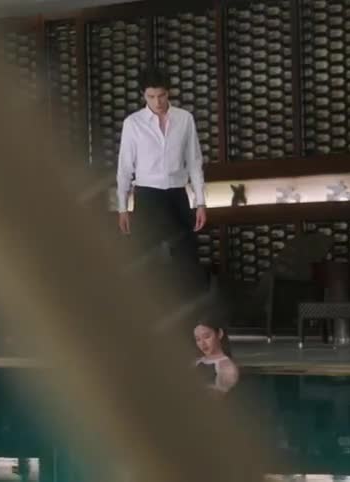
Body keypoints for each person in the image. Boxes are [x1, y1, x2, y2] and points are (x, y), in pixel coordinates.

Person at [116, 66, 209, 296]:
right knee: (146, 259)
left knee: (187, 257)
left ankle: (191, 311)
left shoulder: (184, 119)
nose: (157, 102)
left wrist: (201, 202)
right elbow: (125, 168)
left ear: (169, 93)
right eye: (151, 96)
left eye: (161, 95)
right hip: (147, 196)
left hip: (177, 194)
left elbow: (194, 162)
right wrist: (122, 208)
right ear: (143, 95)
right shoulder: (133, 123)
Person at [193, 320, 239, 394]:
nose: (202, 343)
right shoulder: (197, 361)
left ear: (220, 333)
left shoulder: (226, 367)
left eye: (207, 337)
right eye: (198, 339)